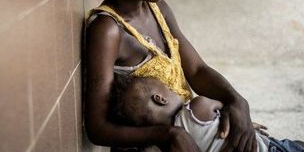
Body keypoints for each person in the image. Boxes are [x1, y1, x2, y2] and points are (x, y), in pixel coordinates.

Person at [85, 0, 258, 151]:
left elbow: (196, 70)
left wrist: (237, 101)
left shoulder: (157, 8)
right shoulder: (108, 30)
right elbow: (97, 127)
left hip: (192, 130)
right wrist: (167, 134)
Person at [110, 75, 304, 152]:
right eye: (168, 87)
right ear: (160, 99)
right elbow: (229, 111)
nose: (174, 89)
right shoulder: (197, 107)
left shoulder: (171, 146)